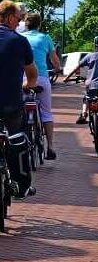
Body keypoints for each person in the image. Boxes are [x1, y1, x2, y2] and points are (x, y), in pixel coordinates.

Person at [0, 0, 38, 197]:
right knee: (16, 138)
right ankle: (21, 184)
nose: (19, 22)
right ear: (8, 17)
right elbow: (32, 74)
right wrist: (28, 87)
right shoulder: (19, 41)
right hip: (10, 104)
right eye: (18, 18)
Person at [22, 12, 61, 160]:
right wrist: (57, 69)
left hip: (24, 79)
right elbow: (55, 60)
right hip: (42, 78)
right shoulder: (45, 38)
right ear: (39, 24)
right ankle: (50, 147)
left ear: (26, 24)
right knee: (46, 113)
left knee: (21, 110)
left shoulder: (21, 38)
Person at [71, 36, 98, 144]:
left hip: (90, 85)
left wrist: (67, 78)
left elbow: (78, 66)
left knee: (86, 98)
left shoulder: (90, 56)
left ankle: (84, 113)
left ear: (94, 45)